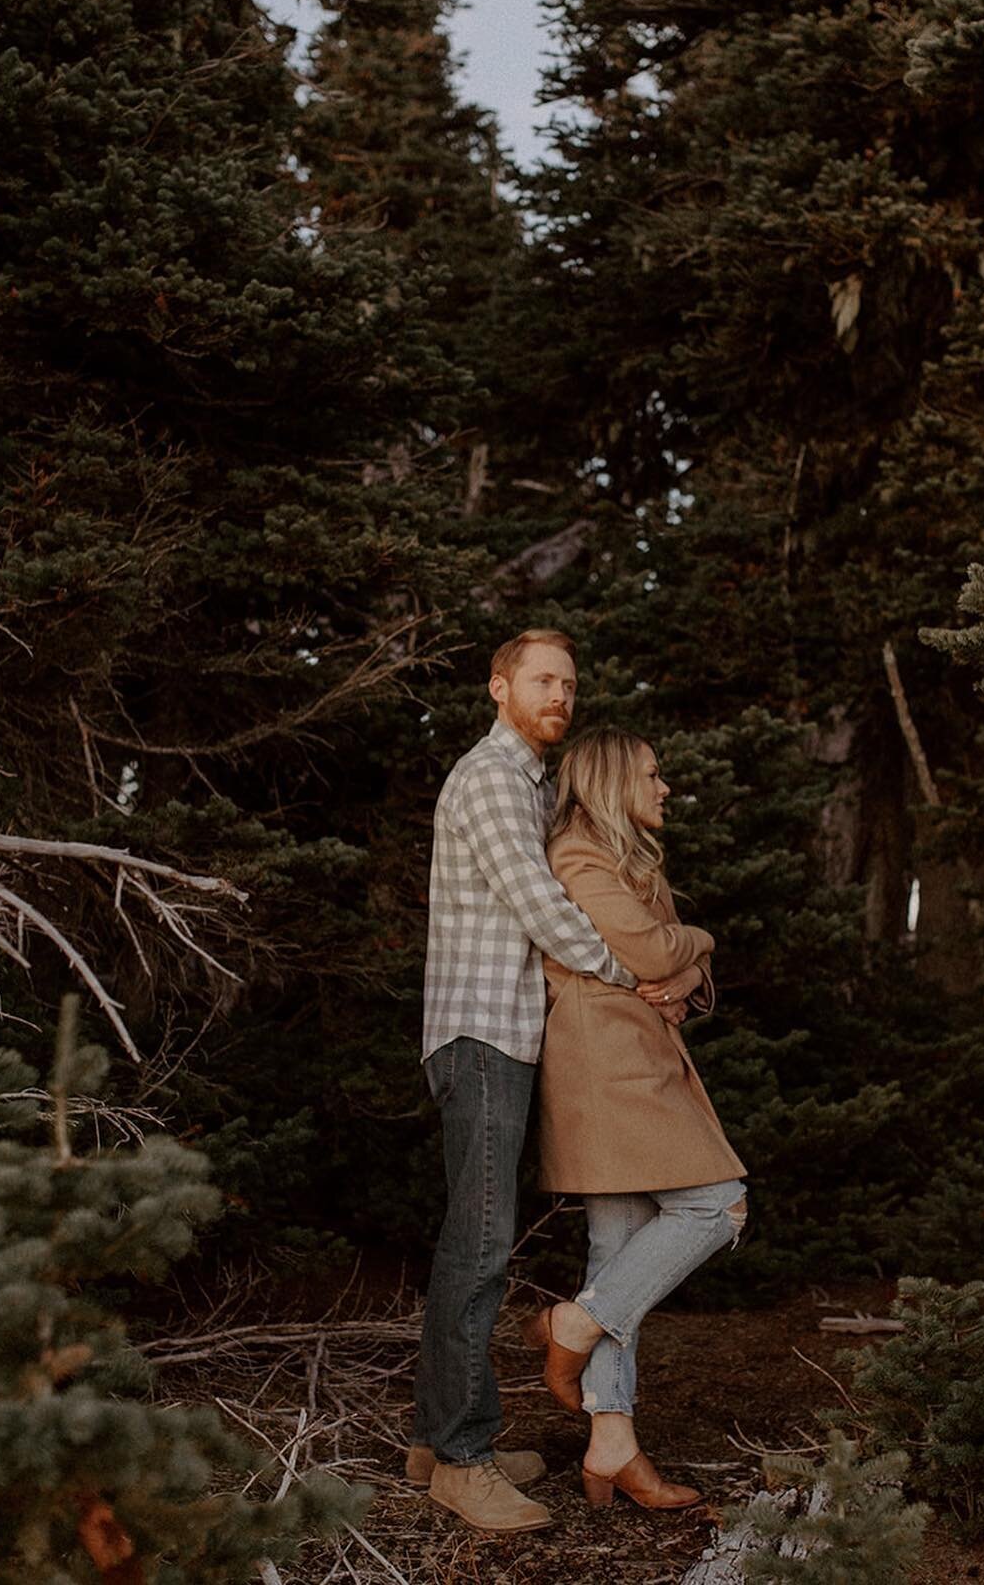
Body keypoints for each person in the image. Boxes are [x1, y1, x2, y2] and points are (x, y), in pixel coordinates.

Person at [409, 631, 698, 1533]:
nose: (560, 696)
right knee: (482, 1245)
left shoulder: (534, 785)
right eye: (543, 680)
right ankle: (461, 1462)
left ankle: (434, 1440)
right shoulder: (493, 778)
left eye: (569, 684)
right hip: (482, 1034)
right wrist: (632, 977)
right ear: (498, 688)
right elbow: (540, 907)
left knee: (475, 1236)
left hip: (510, 1040)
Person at [526, 727, 747, 1511]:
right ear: (616, 780)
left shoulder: (627, 859)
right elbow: (656, 954)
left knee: (617, 1247)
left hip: (631, 1056)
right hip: (607, 1066)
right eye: (653, 775)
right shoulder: (581, 855)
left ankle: (611, 1440)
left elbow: (675, 968)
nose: (665, 789)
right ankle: (573, 1322)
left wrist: (689, 966)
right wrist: (699, 943)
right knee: (718, 1202)